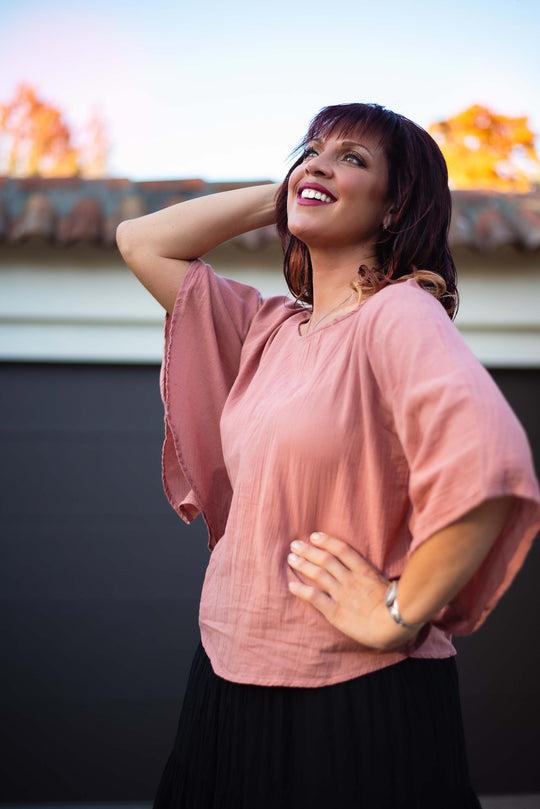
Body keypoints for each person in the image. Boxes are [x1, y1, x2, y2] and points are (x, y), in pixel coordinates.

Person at [117, 103, 540, 809]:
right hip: (224, 681)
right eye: (310, 150)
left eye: (354, 158)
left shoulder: (400, 313)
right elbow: (141, 241)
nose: (319, 162)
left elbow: (489, 463)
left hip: (351, 698)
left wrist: (398, 610)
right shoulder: (267, 329)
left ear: (394, 205)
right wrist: (289, 193)